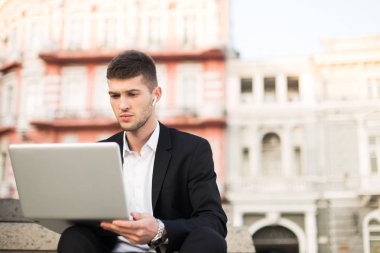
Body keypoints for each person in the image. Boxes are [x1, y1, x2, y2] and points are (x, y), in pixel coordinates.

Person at [57, 50, 227, 253]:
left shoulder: (192, 150)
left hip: (167, 249)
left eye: (132, 94)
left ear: (156, 95)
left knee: (210, 240)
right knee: (74, 236)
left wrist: (160, 230)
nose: (123, 105)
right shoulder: (99, 153)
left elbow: (214, 221)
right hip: (111, 250)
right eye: (115, 95)